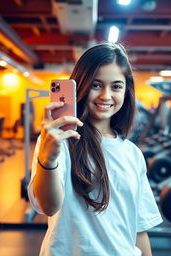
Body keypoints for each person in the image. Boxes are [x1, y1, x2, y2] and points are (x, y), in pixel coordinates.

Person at [27, 42, 162, 256]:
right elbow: (49, 207)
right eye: (96, 85)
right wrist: (48, 157)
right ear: (80, 86)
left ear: (127, 92)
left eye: (116, 86)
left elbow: (139, 230)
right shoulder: (60, 142)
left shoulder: (132, 153)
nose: (105, 96)